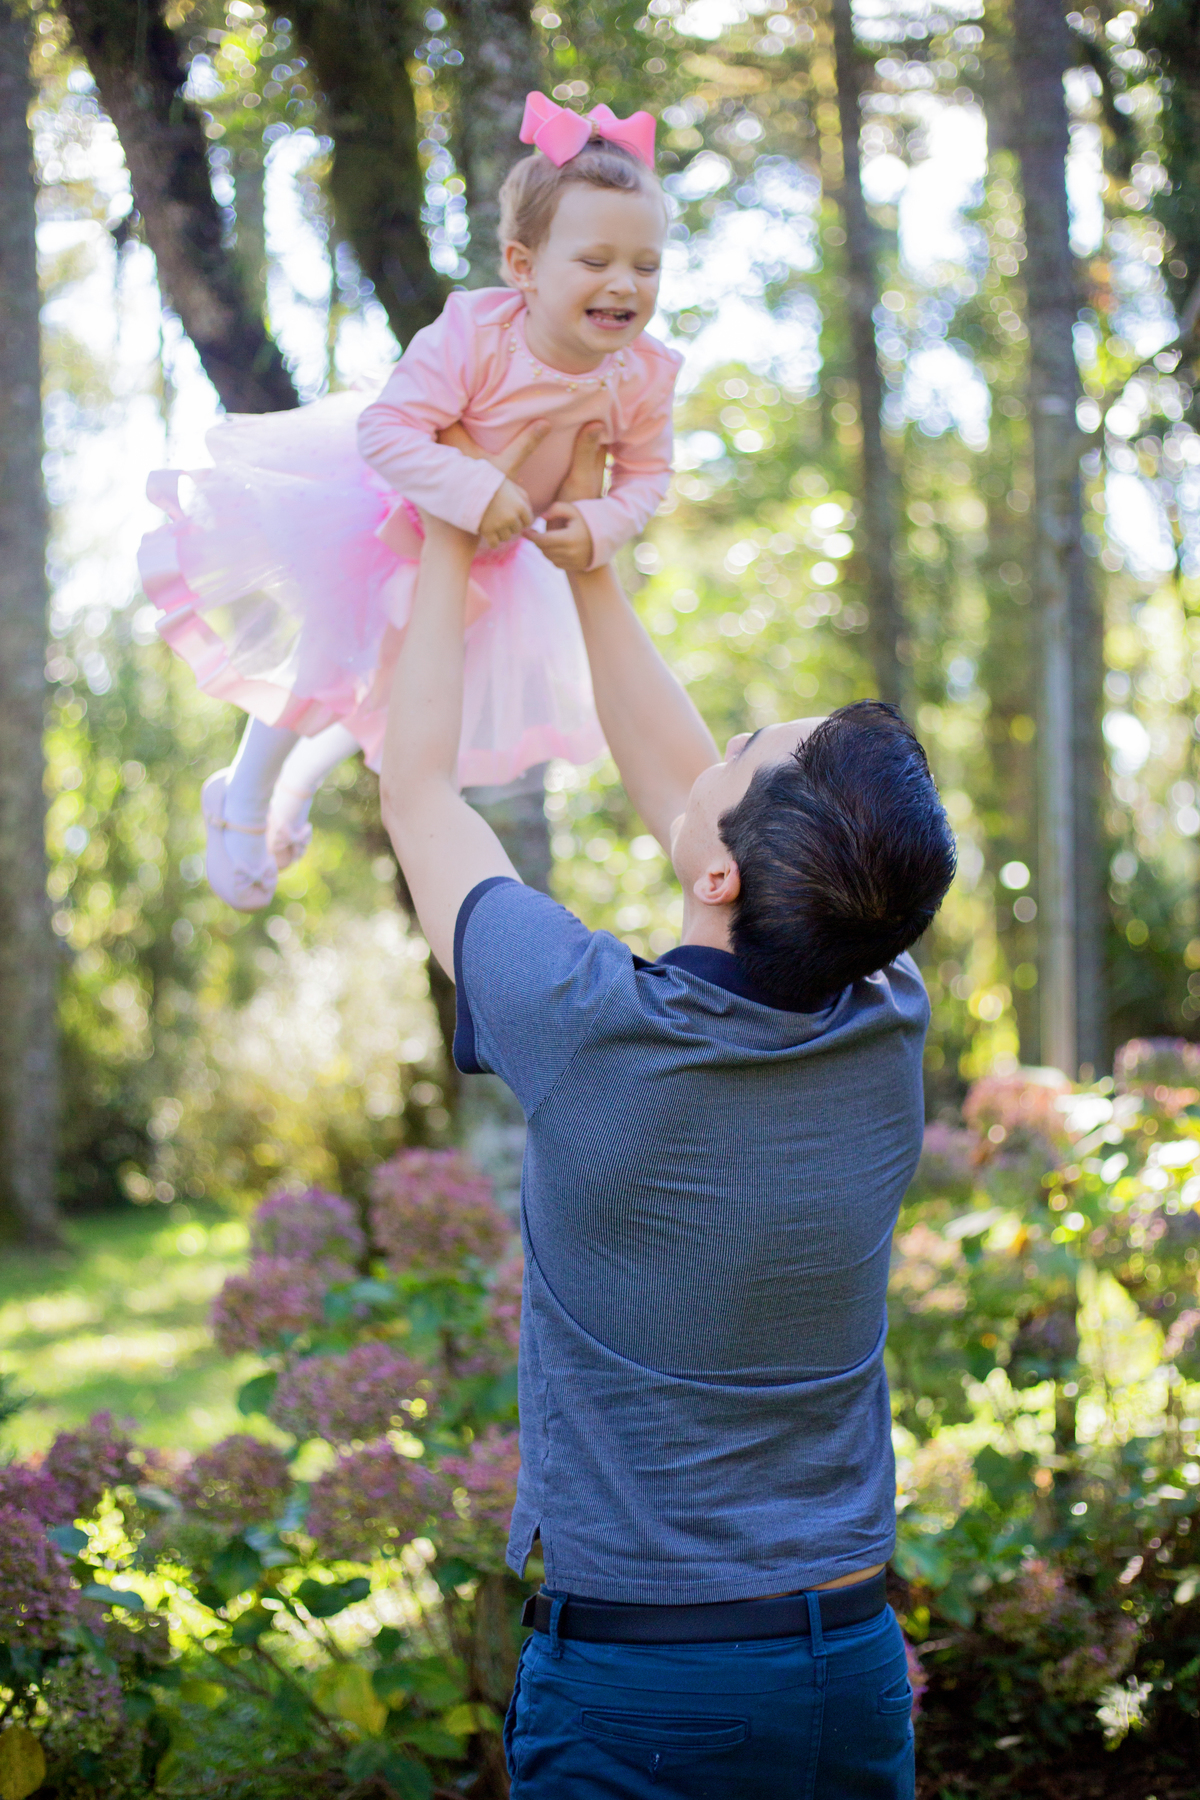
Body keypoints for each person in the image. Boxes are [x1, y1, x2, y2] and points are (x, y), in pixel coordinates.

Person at [379, 421, 957, 1800]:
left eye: (738, 745)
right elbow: (703, 823)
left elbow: (416, 792)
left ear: (719, 877)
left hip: (645, 1691)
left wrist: (452, 523)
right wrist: (589, 565)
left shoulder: (590, 1032)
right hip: (847, 1667)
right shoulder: (885, 1013)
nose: (714, 747)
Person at [137, 92, 678, 911]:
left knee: (404, 705)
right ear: (523, 267)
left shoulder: (645, 373)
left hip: (501, 560)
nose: (624, 285)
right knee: (337, 665)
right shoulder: (477, 333)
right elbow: (386, 429)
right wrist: (474, 487)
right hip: (398, 525)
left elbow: (647, 474)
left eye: (646, 266)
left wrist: (602, 521)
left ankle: (292, 789)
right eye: (596, 261)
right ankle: (243, 790)